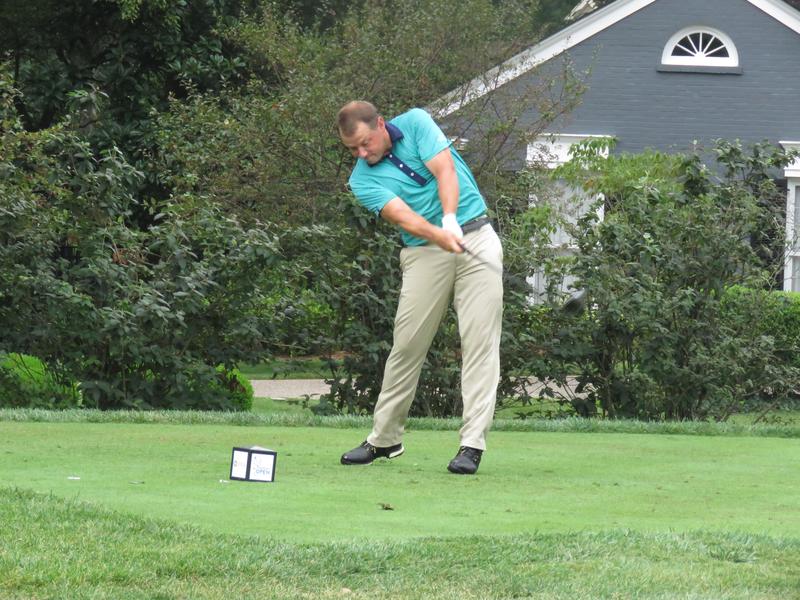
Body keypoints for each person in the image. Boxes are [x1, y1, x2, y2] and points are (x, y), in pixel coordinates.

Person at [336, 101, 503, 475]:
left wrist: (450, 219)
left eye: (365, 143)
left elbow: (445, 170)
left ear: (381, 124)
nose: (361, 153)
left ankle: (471, 445)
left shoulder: (416, 123)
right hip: (423, 251)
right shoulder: (361, 180)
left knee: (479, 343)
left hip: (476, 236)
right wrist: (439, 233)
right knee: (407, 345)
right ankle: (384, 439)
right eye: (352, 149)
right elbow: (403, 217)